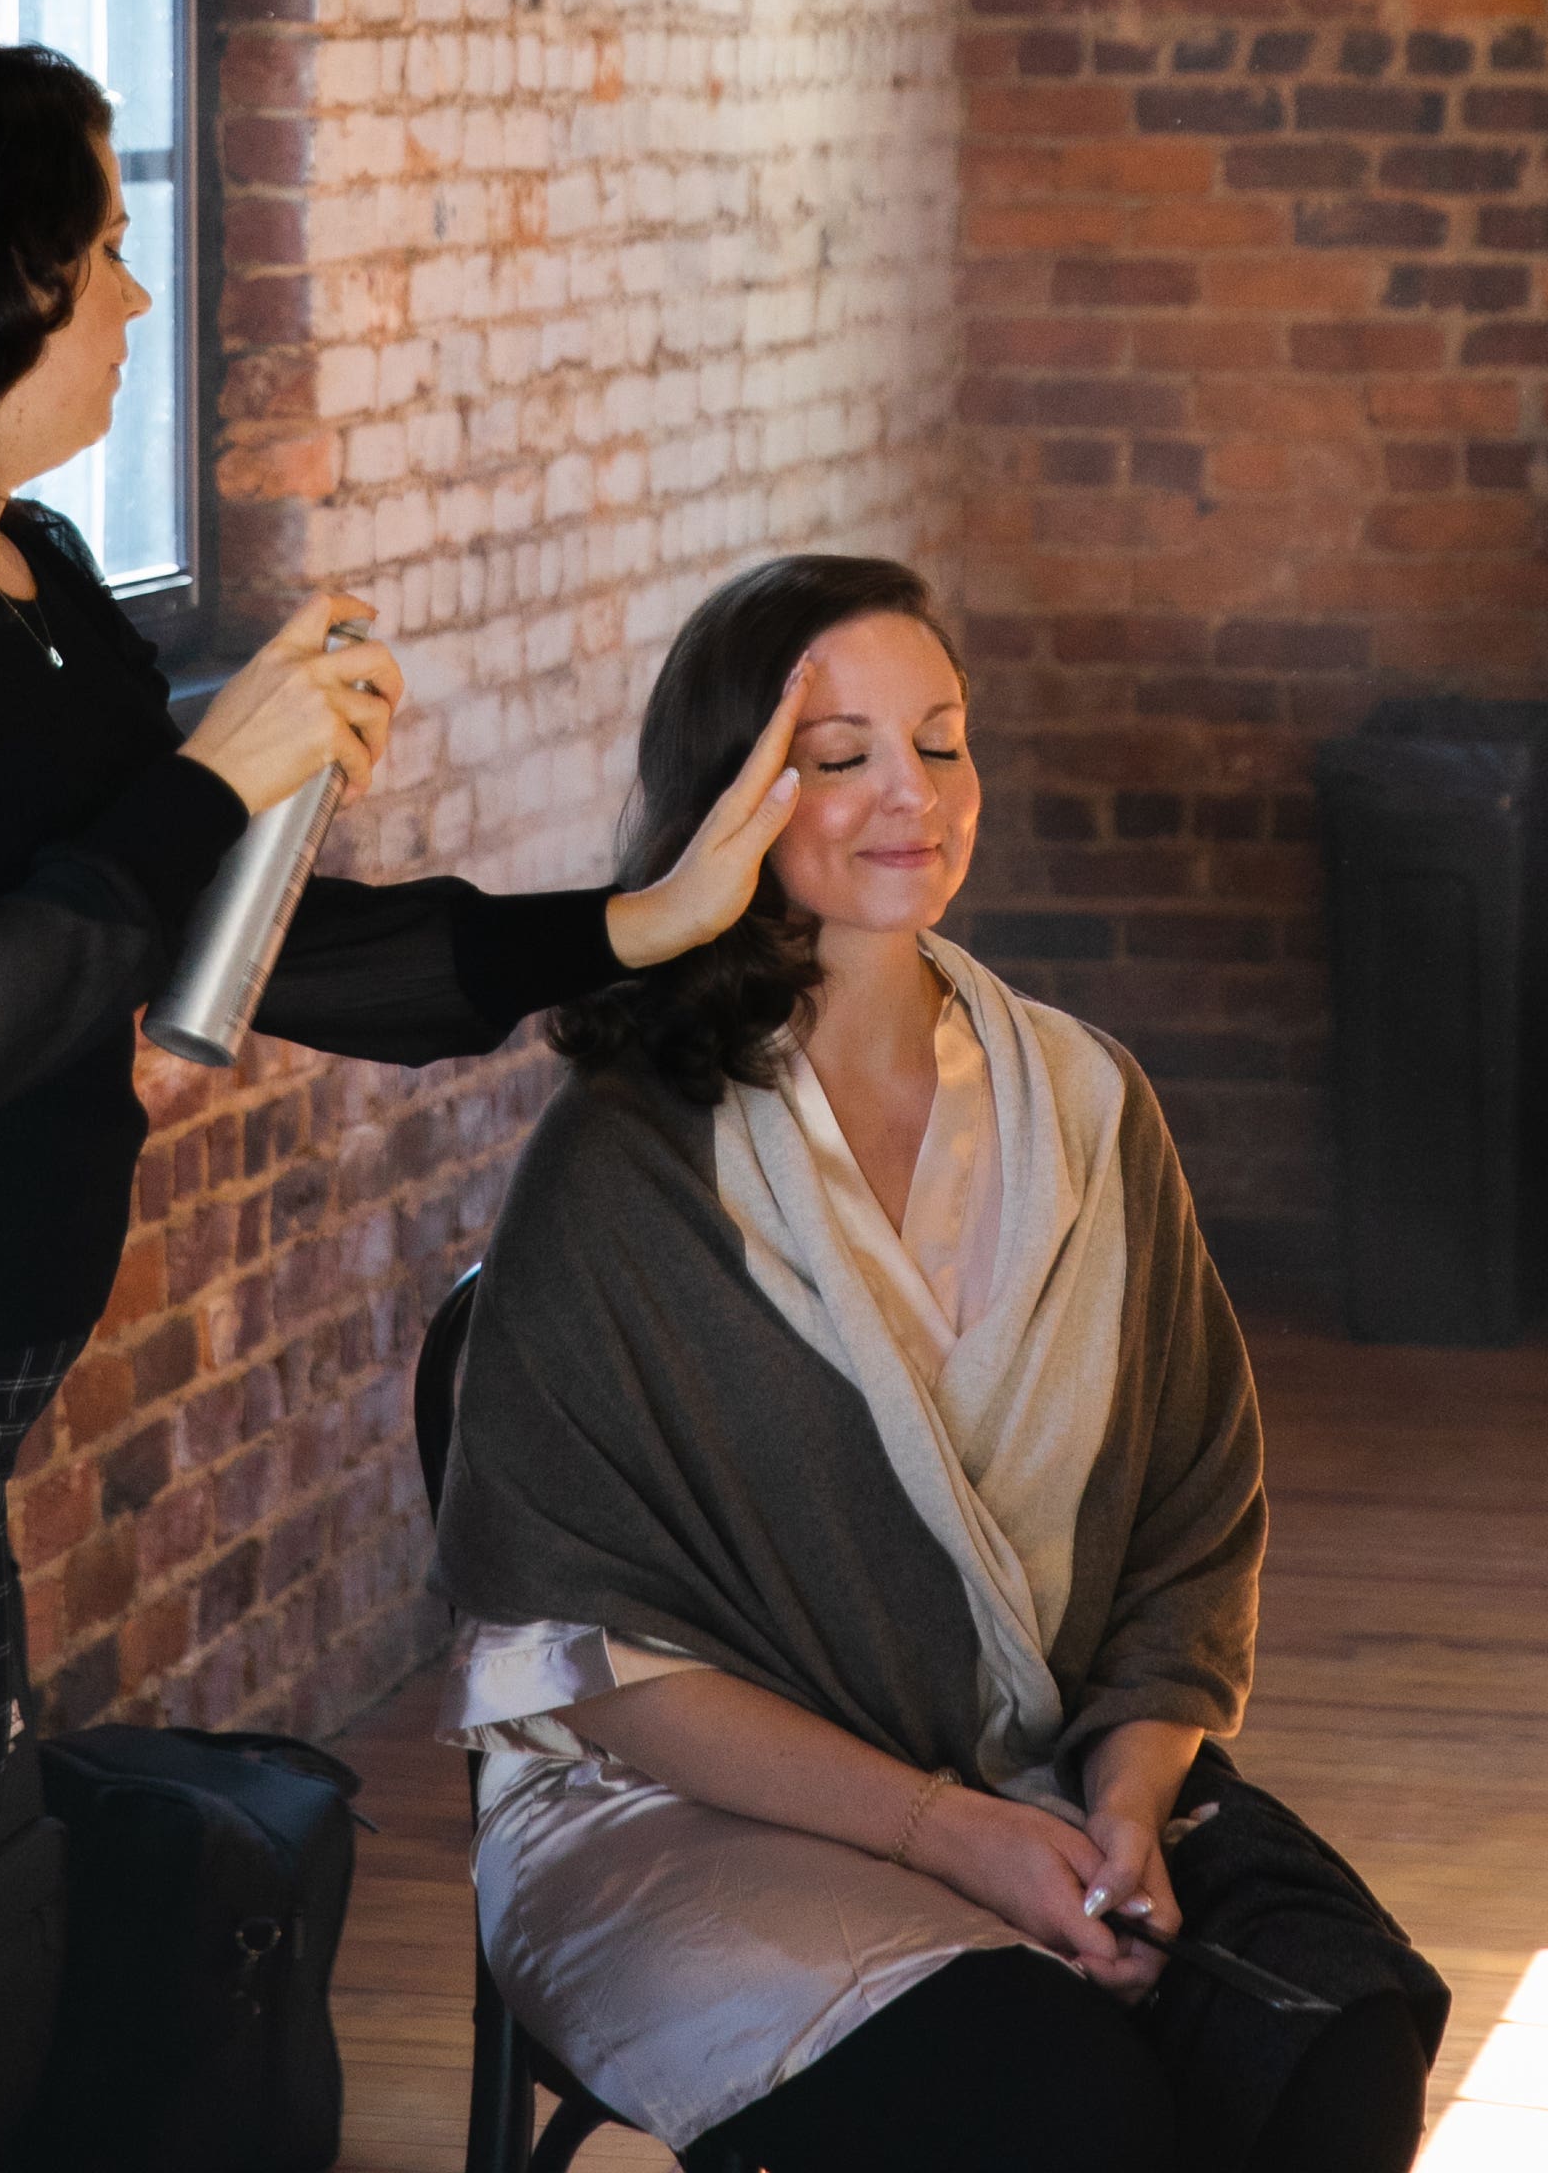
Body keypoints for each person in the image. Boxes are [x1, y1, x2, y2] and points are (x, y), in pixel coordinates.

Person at [0, 29, 797, 2173]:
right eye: (107, 252)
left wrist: (631, 924)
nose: (140, 301)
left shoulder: (19, 574)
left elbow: (265, 948)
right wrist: (203, 779)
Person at [432, 553, 1444, 2173]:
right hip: (685, 1820)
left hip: (1047, 1769)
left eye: (944, 741)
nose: (911, 795)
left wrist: (1124, 1799)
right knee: (1054, 2109)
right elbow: (575, 1655)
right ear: (734, 798)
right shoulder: (626, 1167)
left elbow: (1192, 1525)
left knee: (1332, 2061)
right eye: (840, 758)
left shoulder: (1088, 1105)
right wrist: (950, 1838)